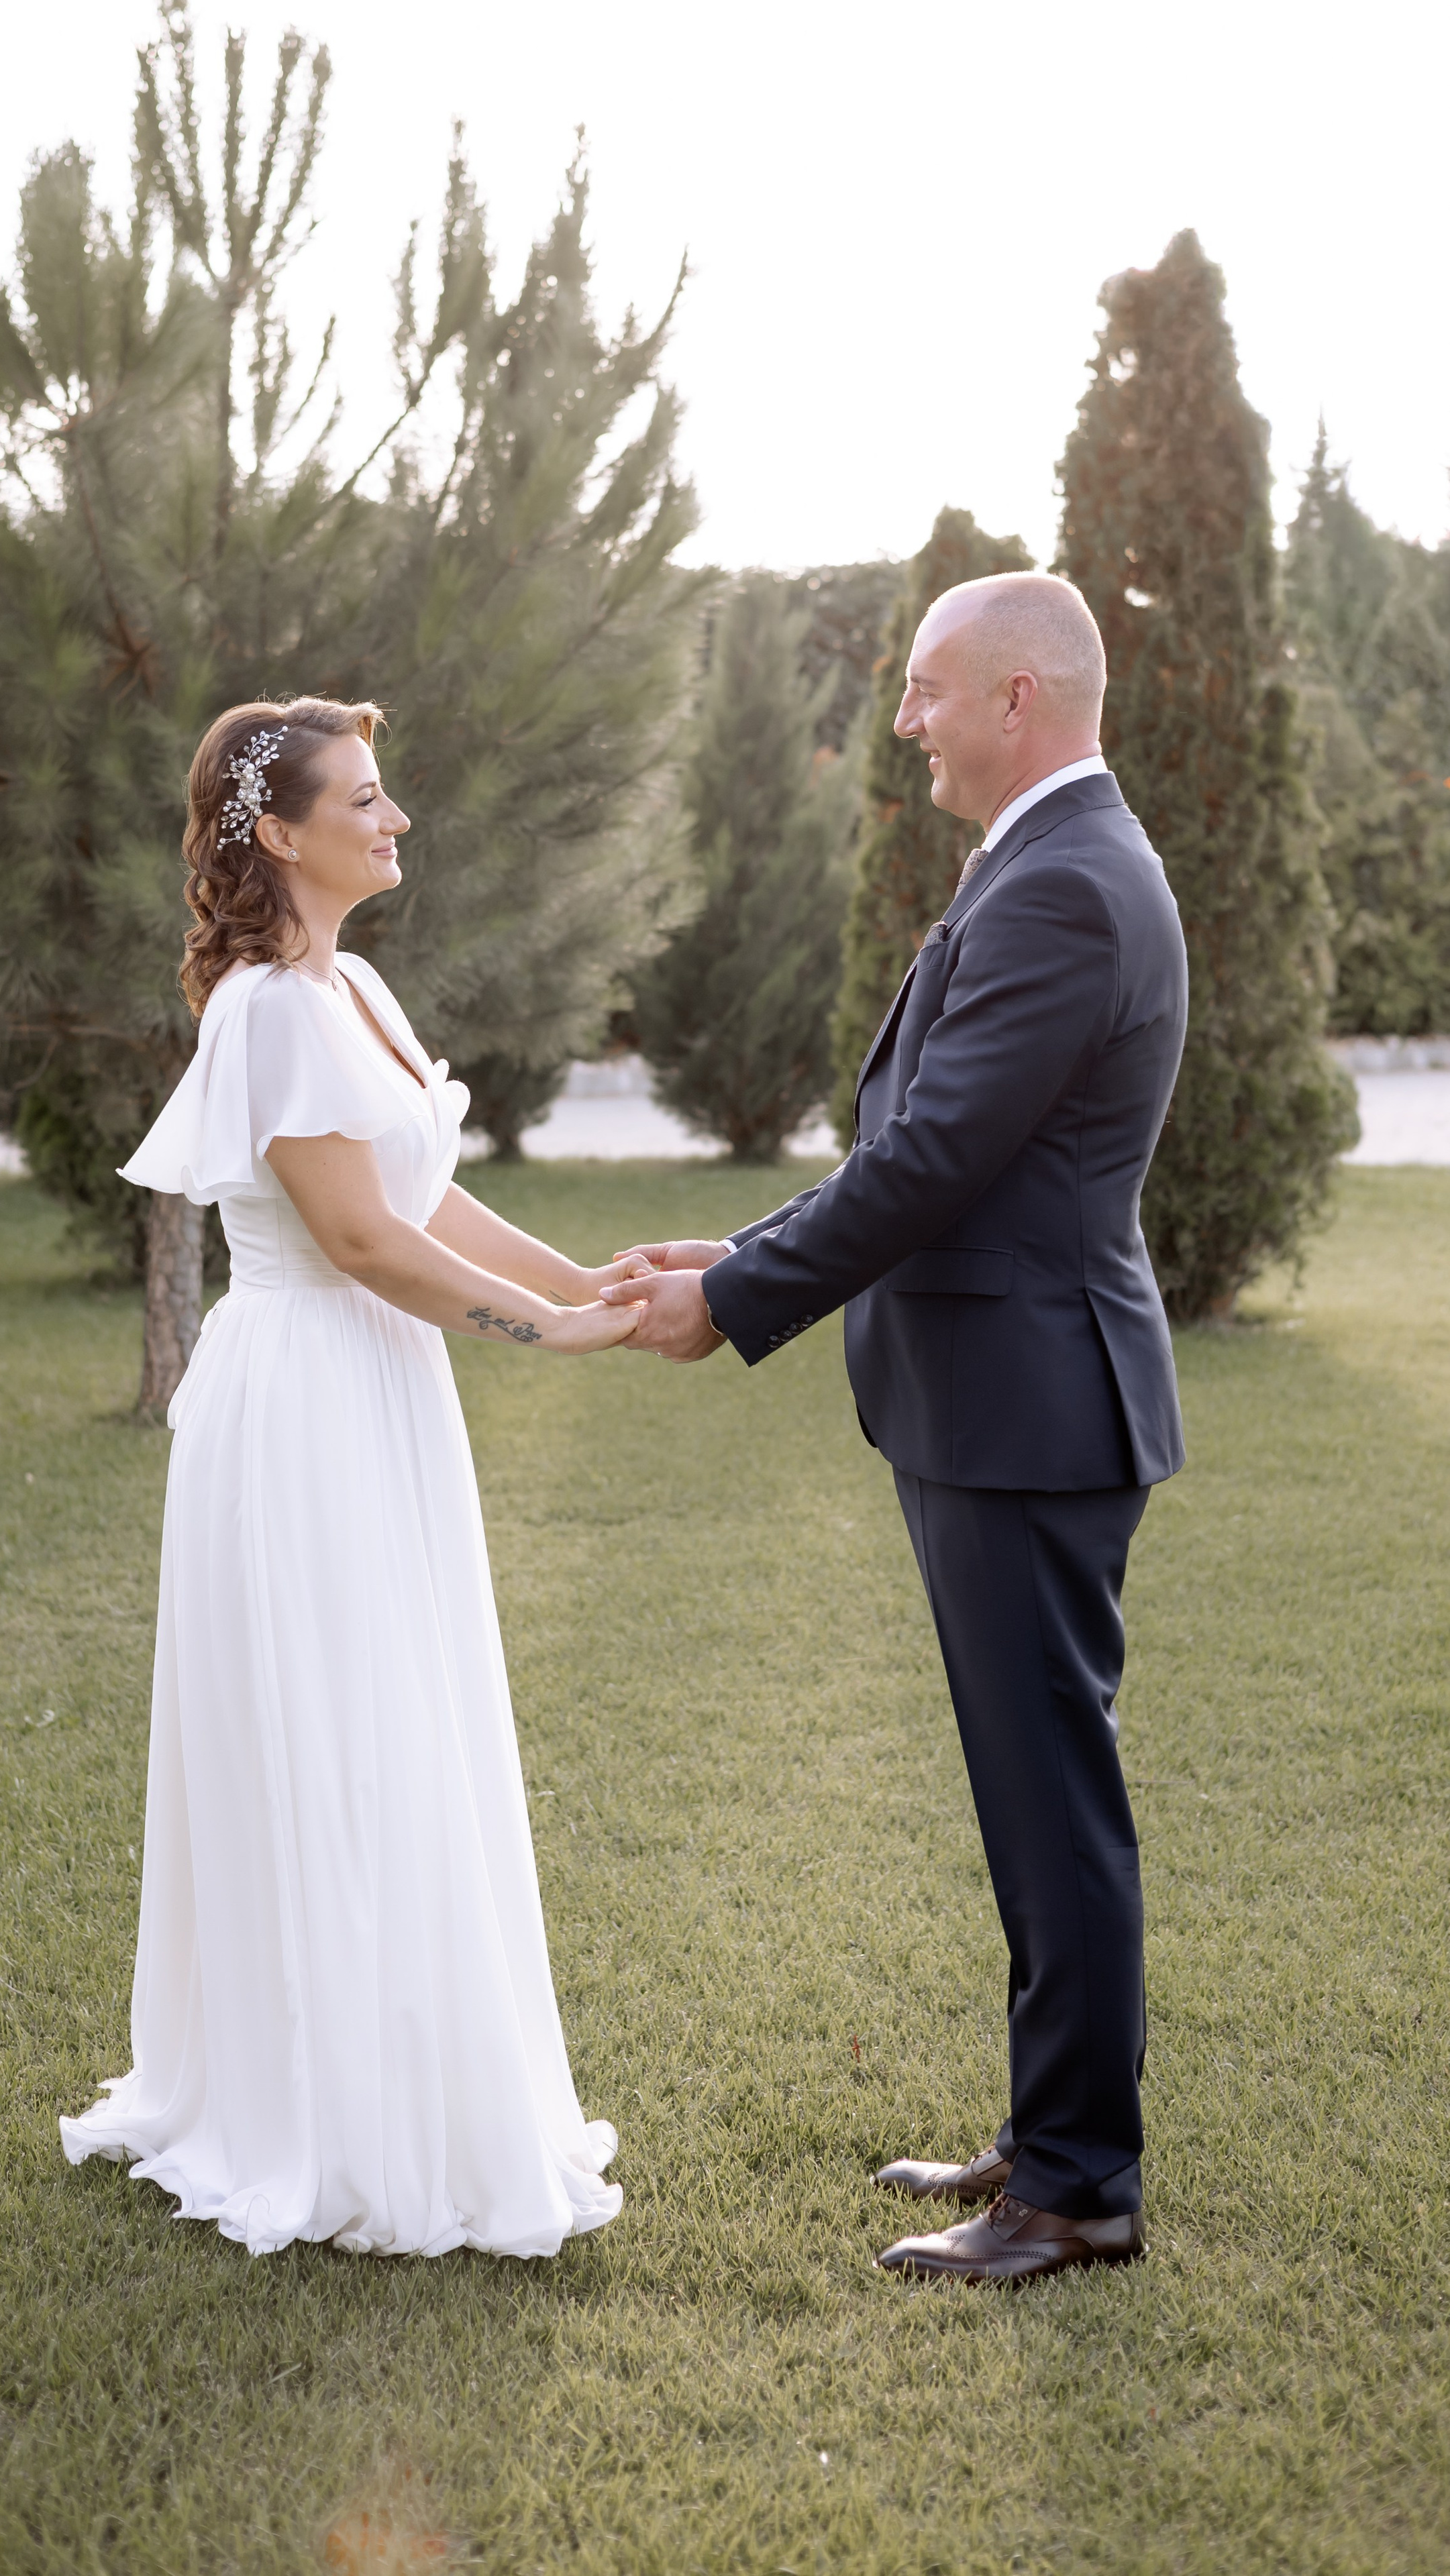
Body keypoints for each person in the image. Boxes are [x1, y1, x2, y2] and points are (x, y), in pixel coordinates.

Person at [602, 574, 1188, 2283]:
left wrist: (732, 1304)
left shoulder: (1066, 885)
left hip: (1026, 1412)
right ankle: (1050, 2133)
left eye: (926, 691)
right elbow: (932, 1146)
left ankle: (1078, 2188)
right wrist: (740, 1249)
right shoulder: (1043, 861)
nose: (903, 719)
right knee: (1029, 1801)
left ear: (1018, 697)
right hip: (995, 1403)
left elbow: (934, 1164)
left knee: (1049, 1799)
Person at [61, 695, 646, 2259]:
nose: (396, 822)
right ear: (278, 832)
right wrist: (559, 1340)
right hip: (307, 1395)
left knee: (408, 1716)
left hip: (385, 1387)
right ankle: (320, 2114)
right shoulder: (260, 1010)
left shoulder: (358, 985)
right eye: (368, 800)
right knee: (333, 1728)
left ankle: (410, 2069)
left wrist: (596, 1283)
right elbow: (358, 1243)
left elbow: (429, 1206)